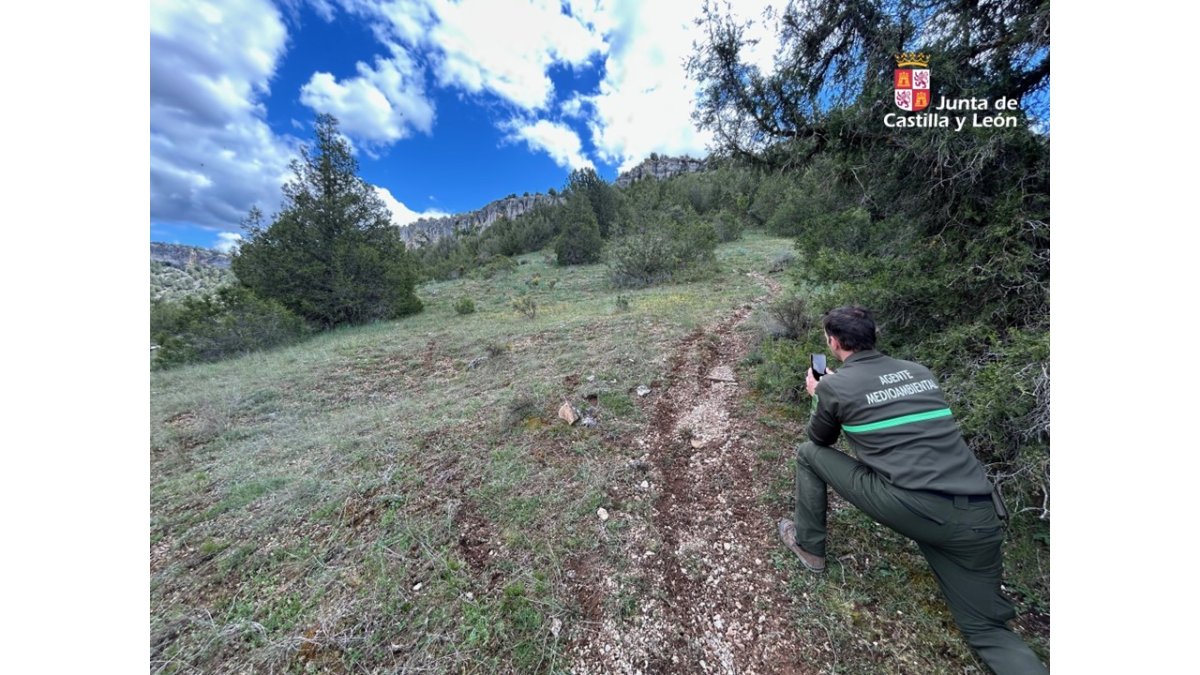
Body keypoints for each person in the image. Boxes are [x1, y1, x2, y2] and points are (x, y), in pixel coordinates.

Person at [777, 305, 1047, 675]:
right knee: (987, 629)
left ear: (834, 343)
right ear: (873, 336)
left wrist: (819, 394)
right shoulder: (920, 372)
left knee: (808, 454)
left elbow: (819, 439)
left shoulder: (835, 386)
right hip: (980, 515)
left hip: (915, 507)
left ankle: (809, 547)